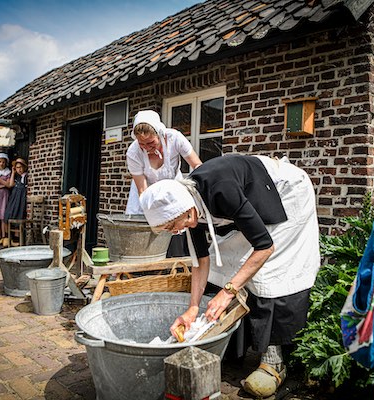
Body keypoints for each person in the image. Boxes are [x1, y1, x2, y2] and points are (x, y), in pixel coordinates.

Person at [139, 154, 320, 398]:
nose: (177, 231)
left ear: (184, 208)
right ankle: (233, 347)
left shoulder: (219, 190)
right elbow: (201, 261)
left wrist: (228, 292)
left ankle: (274, 359)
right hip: (252, 195)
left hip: (286, 193)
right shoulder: (189, 206)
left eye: (174, 224)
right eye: (170, 229)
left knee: (269, 271)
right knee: (223, 264)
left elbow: (265, 247)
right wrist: (193, 308)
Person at [126, 110, 202, 256]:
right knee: (146, 232)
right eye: (142, 144)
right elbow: (143, 190)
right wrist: (156, 213)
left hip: (173, 189)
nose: (147, 148)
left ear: (159, 133)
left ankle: (175, 265)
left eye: (150, 143)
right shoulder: (133, 152)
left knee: (176, 227)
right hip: (146, 195)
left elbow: (197, 165)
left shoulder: (175, 138)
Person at [3, 158, 29, 247]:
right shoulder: (16, 177)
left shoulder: (26, 176)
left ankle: (16, 239)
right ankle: (7, 237)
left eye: (21, 167)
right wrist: (13, 173)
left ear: (24, 167)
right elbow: (10, 185)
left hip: (20, 200)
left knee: (19, 215)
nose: (19, 169)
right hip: (13, 199)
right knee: (7, 215)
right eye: (17, 168)